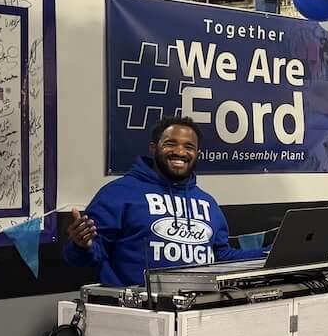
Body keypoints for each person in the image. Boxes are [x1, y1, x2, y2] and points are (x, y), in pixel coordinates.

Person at [62, 116, 262, 286]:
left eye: (189, 147)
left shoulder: (208, 203)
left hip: (195, 313)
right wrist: (81, 245)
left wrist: (270, 253)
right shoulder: (118, 193)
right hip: (136, 314)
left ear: (197, 154)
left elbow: (222, 258)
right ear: (153, 148)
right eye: (170, 144)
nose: (180, 152)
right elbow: (85, 257)